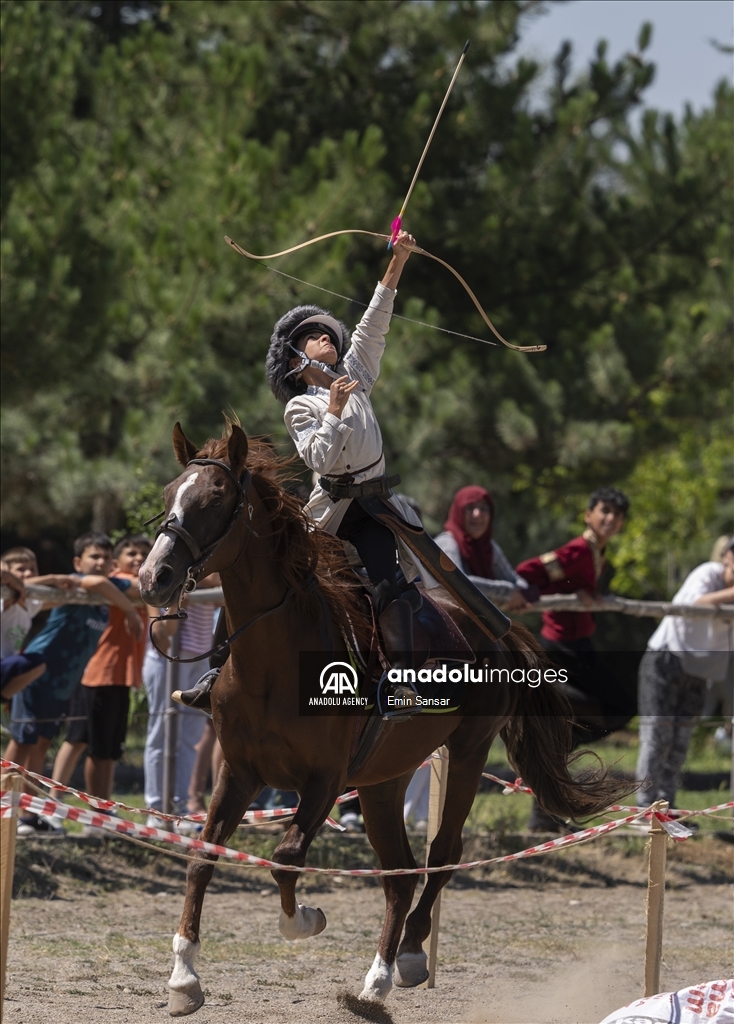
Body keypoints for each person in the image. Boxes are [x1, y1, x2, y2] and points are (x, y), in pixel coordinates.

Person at [177, 231, 510, 714]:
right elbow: (320, 461)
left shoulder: (356, 376)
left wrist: (397, 262)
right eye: (315, 335)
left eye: (330, 333)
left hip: (375, 508)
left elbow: (374, 324)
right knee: (260, 575)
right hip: (329, 509)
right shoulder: (300, 406)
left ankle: (403, 682)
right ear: (296, 359)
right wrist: (333, 410)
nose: (328, 337)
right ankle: (218, 672)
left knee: (390, 584)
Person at [3, 532, 143, 836]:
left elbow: (132, 585)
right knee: (21, 744)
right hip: (35, 677)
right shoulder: (77, 585)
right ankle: (5, 808)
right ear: (78, 562)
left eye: (107, 558)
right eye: (95, 556)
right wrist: (130, 611)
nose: (102, 562)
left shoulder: (108, 594)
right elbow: (93, 582)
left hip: (61, 688)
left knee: (40, 748)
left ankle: (28, 814)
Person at [516, 486, 632, 830]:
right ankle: (545, 807)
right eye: (604, 511)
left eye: (617, 514)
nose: (610, 518)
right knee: (596, 709)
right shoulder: (579, 549)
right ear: (589, 515)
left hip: (581, 646)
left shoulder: (597, 551)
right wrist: (567, 594)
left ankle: (556, 756)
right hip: (558, 648)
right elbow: (528, 570)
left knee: (620, 707)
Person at [51, 535, 151, 829]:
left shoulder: (127, 584)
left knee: (105, 746)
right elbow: (98, 582)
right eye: (131, 552)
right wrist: (132, 609)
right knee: (84, 742)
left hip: (120, 676)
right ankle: (68, 805)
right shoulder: (116, 580)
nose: (137, 558)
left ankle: (102, 808)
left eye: (144, 553)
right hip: (98, 673)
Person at [635, 537, 734, 810]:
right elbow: (697, 604)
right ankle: (645, 810)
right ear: (726, 556)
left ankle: (667, 808)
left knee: (679, 743)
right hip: (667, 658)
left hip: (700, 673)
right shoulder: (707, 572)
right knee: (657, 736)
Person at [143, 575, 221, 830]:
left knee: (191, 736)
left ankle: (180, 806)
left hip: (199, 657)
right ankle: (156, 808)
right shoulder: (177, 575)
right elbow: (164, 633)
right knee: (161, 734)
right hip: (169, 657)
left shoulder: (207, 577)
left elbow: (220, 583)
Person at [435, 486, 532, 612]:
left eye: (484, 508)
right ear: (459, 512)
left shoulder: (488, 546)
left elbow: (514, 580)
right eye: (470, 508)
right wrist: (508, 593)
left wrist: (522, 592)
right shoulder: (447, 543)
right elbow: (457, 582)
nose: (477, 514)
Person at [1, 548, 77, 702]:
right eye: (21, 569)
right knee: (36, 662)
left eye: (32, 569)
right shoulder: (6, 600)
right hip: (3, 664)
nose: (28, 573)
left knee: (37, 663)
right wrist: (52, 578)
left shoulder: (30, 605)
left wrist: (73, 584)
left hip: (7, 668)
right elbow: (17, 584)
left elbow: (61, 599)